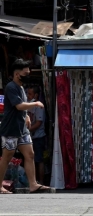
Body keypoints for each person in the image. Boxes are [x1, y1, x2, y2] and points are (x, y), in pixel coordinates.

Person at [0, 59, 52, 194]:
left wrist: (27, 116)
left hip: (22, 128)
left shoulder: (22, 88)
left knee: (30, 155)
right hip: (11, 128)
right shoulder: (11, 87)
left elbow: (22, 106)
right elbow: (19, 105)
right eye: (26, 72)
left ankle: (33, 184)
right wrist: (35, 104)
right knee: (7, 157)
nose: (28, 74)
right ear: (17, 74)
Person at [26, 86, 46, 185]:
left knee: (39, 159)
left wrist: (27, 130)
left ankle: (41, 181)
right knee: (30, 159)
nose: (28, 96)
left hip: (38, 137)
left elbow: (38, 123)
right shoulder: (28, 105)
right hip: (30, 136)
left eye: (30, 94)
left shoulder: (39, 106)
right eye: (27, 93)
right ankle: (33, 181)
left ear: (36, 95)